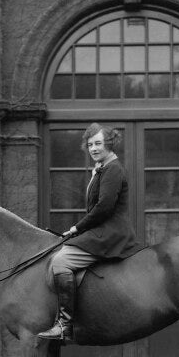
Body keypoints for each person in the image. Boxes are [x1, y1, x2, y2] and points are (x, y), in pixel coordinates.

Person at [38, 123, 142, 343]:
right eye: (90, 144)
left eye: (98, 143)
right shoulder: (102, 168)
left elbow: (104, 207)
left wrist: (77, 228)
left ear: (109, 144)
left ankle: (64, 325)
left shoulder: (113, 169)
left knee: (60, 262)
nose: (93, 148)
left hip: (110, 233)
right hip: (101, 230)